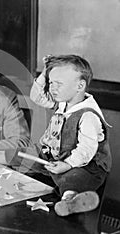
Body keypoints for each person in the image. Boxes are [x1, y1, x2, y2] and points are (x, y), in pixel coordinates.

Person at [30, 54, 112, 216]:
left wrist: (67, 165)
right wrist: (46, 72)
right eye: (51, 82)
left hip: (85, 165)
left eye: (58, 84)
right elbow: (36, 96)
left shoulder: (88, 115)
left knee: (73, 179)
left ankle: (70, 201)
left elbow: (86, 150)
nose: (52, 88)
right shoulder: (63, 101)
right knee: (28, 155)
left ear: (80, 86)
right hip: (57, 157)